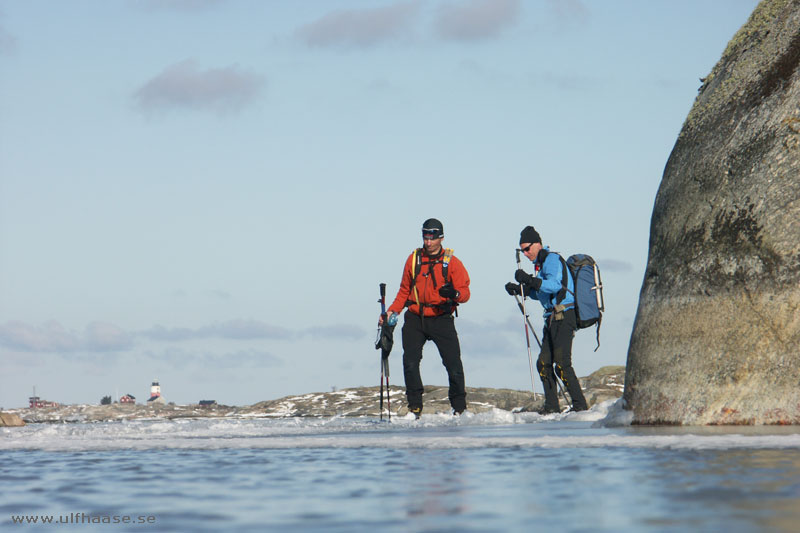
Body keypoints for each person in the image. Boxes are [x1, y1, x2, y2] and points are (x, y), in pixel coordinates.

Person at [381, 218, 471, 418]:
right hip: (415, 317)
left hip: (441, 317)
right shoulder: (413, 260)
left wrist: (454, 294)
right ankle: (415, 408)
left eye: (432, 238)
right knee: (410, 363)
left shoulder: (452, 263)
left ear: (441, 238)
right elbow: (404, 291)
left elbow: (465, 293)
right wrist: (391, 312)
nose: (428, 242)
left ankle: (459, 408)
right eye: (425, 237)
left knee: (453, 365)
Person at [505, 225, 588, 414]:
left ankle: (580, 407)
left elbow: (554, 285)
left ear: (538, 244)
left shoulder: (551, 259)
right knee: (543, 363)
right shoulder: (541, 265)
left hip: (564, 315)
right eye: (522, 250)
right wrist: (520, 290)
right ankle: (551, 407)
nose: (525, 253)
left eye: (527, 248)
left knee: (561, 363)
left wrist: (528, 280)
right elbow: (542, 293)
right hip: (552, 317)